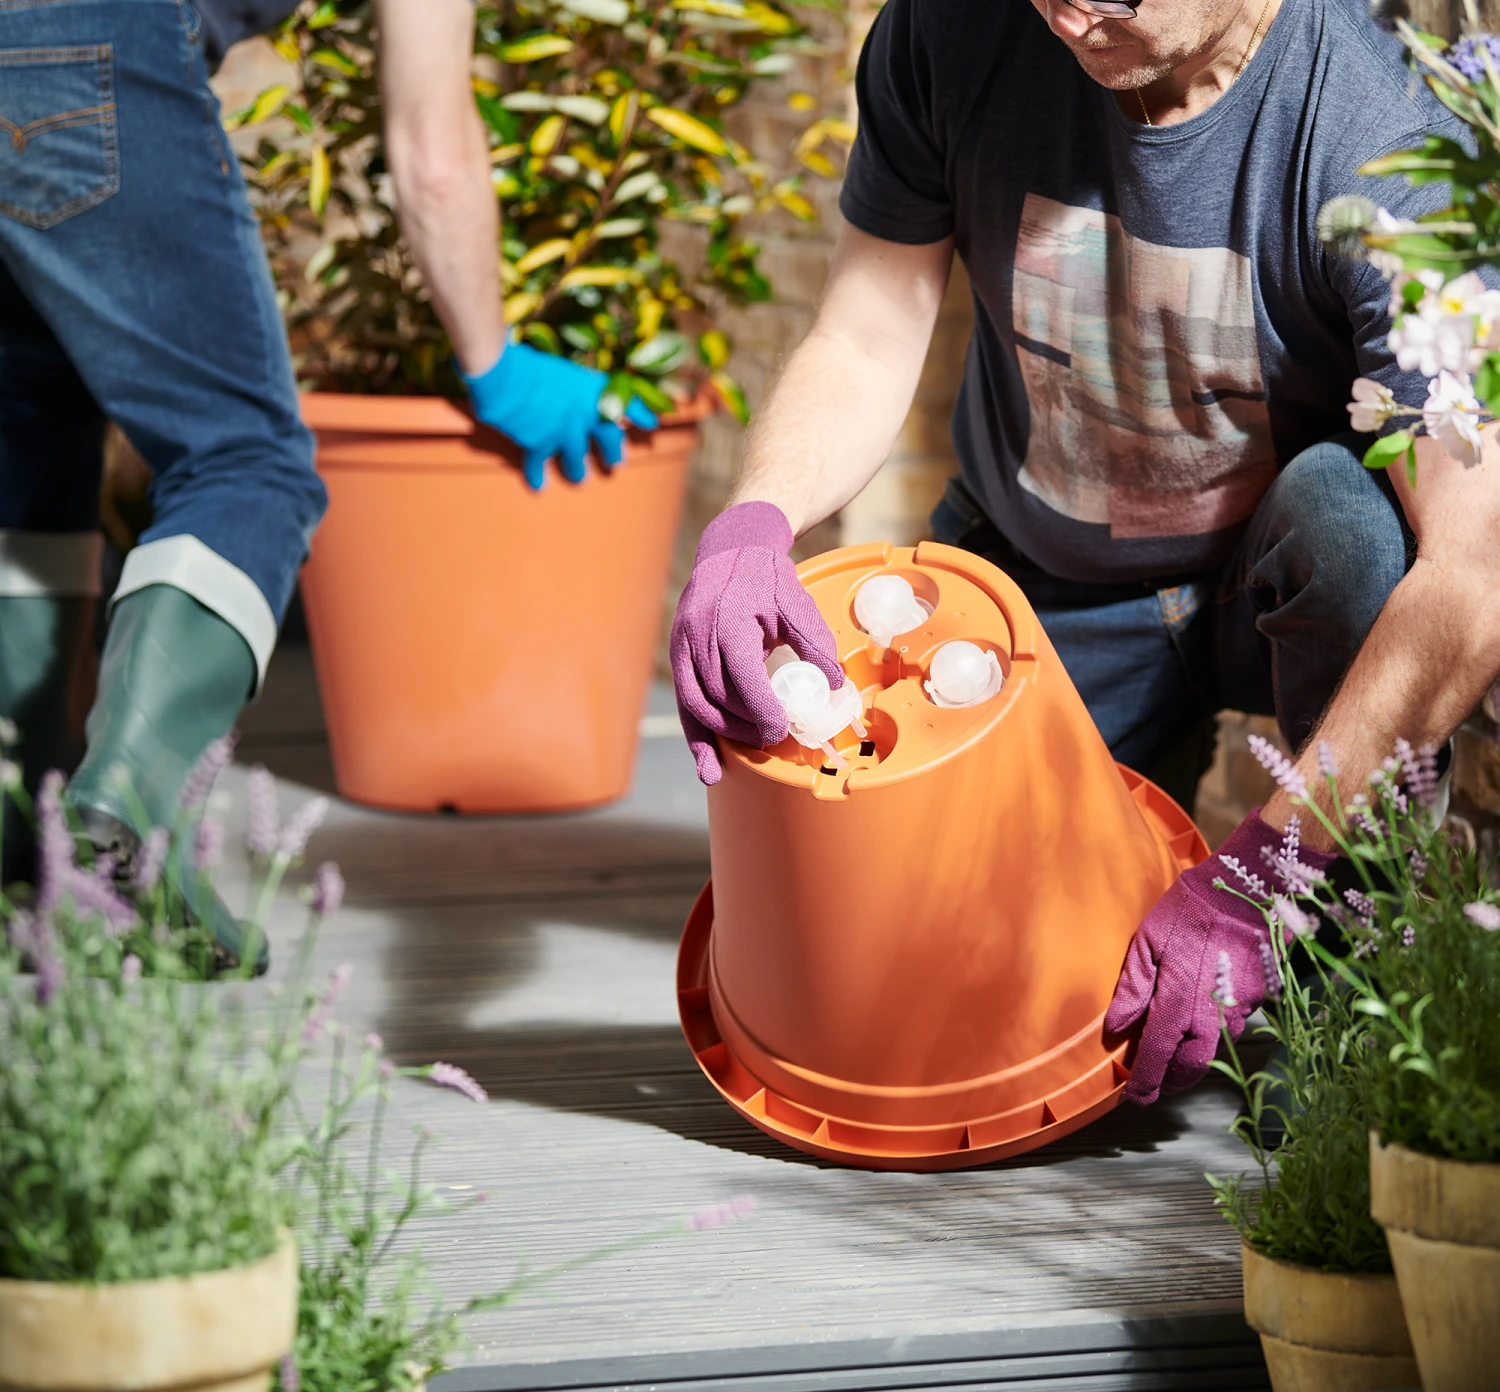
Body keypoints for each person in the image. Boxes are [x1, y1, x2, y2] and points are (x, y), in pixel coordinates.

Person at [670, 0, 1500, 1103]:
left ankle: (1341, 977)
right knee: (965, 1029)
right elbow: (867, 330)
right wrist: (756, 517)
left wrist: (1269, 870)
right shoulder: (951, 33)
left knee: (1344, 515)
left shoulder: (1386, 132)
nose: (1070, 11)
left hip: (1292, 596)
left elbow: (1477, 571)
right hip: (1051, 591)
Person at [0, 0, 646, 964]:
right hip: (83, 52)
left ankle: (29, 860)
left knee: (27, 458)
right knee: (243, 458)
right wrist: (494, 362)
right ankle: (124, 805)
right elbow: (431, 150)